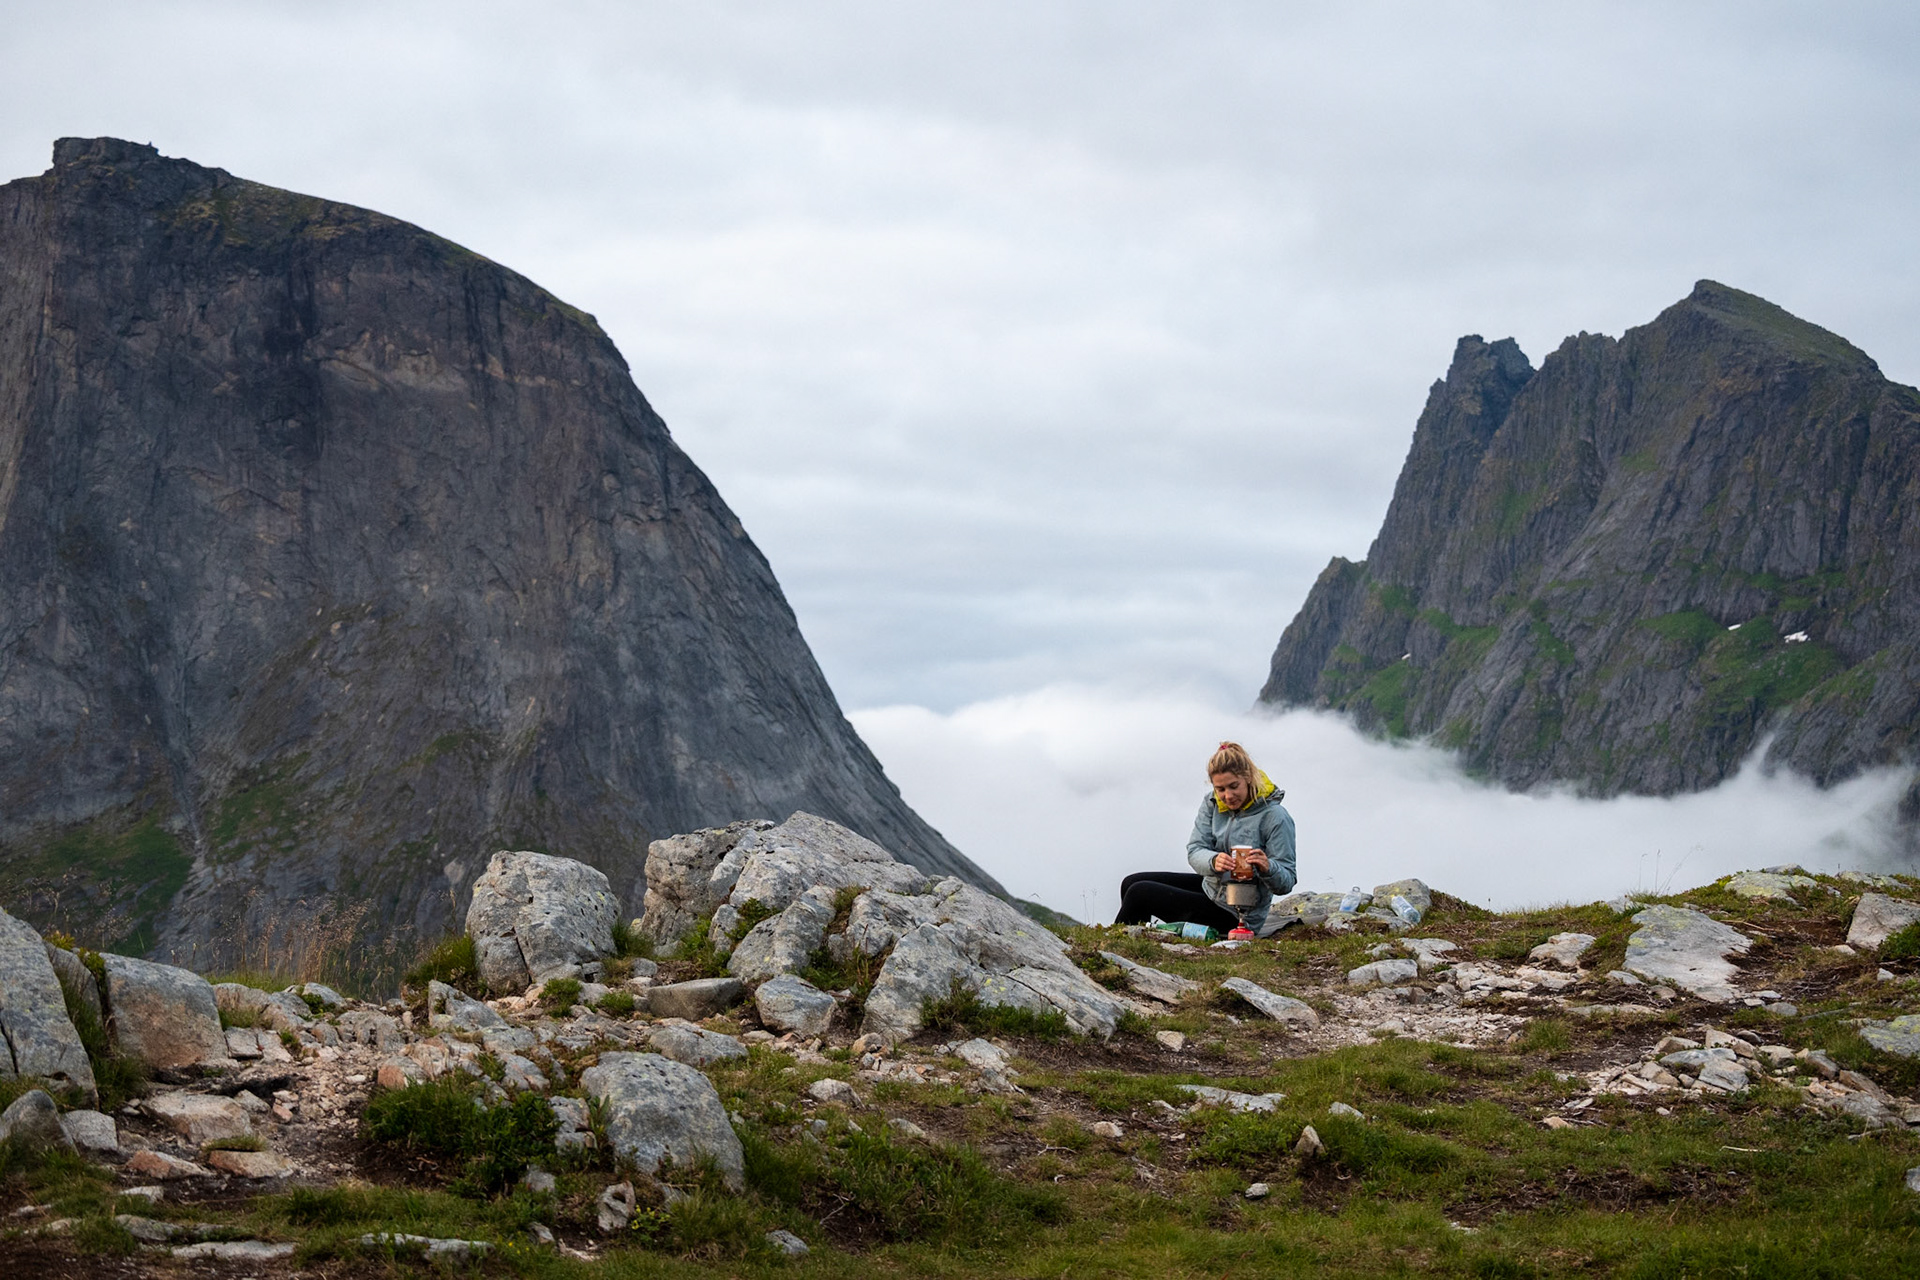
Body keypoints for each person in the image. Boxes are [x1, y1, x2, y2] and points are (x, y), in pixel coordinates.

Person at [1115, 741, 1297, 935]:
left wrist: (1267, 867)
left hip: (1237, 913)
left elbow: (1287, 880)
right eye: (1221, 789)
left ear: (1249, 778)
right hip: (1211, 889)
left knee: (1139, 893)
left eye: (1234, 786)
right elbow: (1195, 849)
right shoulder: (1212, 803)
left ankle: (1115, 947)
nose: (1227, 796)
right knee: (1130, 882)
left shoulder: (1275, 816)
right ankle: (1135, 942)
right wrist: (1213, 861)